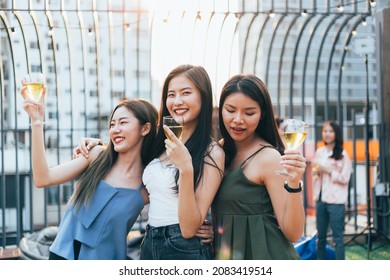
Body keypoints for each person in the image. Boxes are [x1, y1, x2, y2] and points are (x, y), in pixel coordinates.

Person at [75, 64, 224, 260]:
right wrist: (99, 145)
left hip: (184, 247)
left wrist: (186, 168)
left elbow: (189, 229)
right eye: (171, 94)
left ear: (203, 97)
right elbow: (126, 147)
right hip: (150, 242)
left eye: (186, 93)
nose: (177, 101)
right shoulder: (159, 139)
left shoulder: (212, 152)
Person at [21, 84, 159, 259]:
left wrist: (206, 230)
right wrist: (37, 122)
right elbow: (43, 178)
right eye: (112, 124)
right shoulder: (97, 156)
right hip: (62, 257)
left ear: (145, 128)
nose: (114, 129)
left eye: (123, 122)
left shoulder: (147, 184)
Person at [212, 74, 306, 260]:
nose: (238, 119)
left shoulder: (268, 157)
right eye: (230, 110)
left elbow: (293, 233)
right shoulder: (217, 151)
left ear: (262, 114)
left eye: (249, 113)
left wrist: (294, 182)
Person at [311, 120, 352, 260]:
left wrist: (328, 170)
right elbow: (315, 174)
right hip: (320, 199)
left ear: (336, 134)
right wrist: (316, 172)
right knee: (320, 238)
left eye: (330, 131)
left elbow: (345, 178)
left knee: (338, 239)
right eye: (325, 131)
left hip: (336, 201)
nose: (327, 134)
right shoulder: (319, 152)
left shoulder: (343, 154)